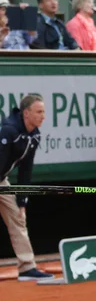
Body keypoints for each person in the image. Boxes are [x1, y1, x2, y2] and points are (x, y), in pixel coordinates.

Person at [0, 95, 54, 282]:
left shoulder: (34, 135)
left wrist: (22, 201)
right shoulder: (8, 131)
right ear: (26, 113)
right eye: (39, 112)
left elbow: (25, 171)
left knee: (18, 219)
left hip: (1, 181)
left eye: (43, 111)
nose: (43, 116)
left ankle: (27, 267)